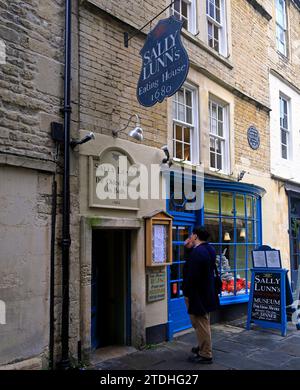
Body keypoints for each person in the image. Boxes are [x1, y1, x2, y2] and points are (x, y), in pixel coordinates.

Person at [183, 226, 219, 364]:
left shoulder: (198, 254)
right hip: (207, 292)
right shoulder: (209, 249)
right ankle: (202, 346)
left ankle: (205, 354)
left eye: (192, 235)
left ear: (196, 236)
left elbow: (192, 275)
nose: (190, 237)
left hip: (198, 294)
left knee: (200, 323)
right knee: (201, 322)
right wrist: (189, 248)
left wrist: (187, 292)